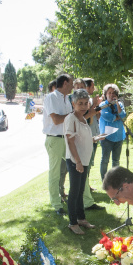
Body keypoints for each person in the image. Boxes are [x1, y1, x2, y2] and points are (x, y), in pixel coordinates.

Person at [64, 89, 101, 235]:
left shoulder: (83, 118)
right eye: (80, 103)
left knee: (80, 191)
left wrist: (94, 139)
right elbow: (70, 141)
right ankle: (72, 223)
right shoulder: (71, 119)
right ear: (73, 104)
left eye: (86, 103)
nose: (84, 106)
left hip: (83, 160)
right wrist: (78, 162)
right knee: (74, 192)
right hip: (76, 161)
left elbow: (81, 139)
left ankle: (81, 218)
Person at [43, 74, 73, 215]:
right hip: (54, 139)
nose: (73, 86)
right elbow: (55, 119)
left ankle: (84, 200)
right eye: (71, 83)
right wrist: (73, 115)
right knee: (55, 173)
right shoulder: (51, 97)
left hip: (67, 138)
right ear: (65, 83)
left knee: (76, 167)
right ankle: (56, 205)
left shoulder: (67, 99)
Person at [75, 78, 105, 211]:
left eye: (83, 86)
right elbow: (85, 119)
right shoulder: (74, 110)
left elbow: (92, 117)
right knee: (78, 176)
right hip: (76, 148)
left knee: (84, 173)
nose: (82, 89)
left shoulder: (83, 108)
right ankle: (81, 204)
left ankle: (86, 202)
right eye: (79, 86)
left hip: (87, 141)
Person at [98, 83, 127, 180]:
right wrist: (118, 117)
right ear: (105, 94)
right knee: (105, 160)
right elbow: (109, 117)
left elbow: (123, 115)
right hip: (107, 137)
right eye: (109, 93)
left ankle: (115, 181)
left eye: (113, 93)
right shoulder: (103, 105)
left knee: (116, 161)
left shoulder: (120, 104)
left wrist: (117, 104)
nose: (111, 95)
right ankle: (104, 180)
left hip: (119, 137)